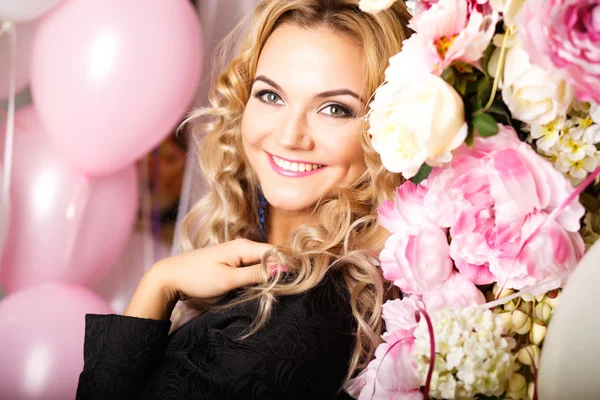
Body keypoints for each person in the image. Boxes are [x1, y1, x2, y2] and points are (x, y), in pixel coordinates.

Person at [76, 0, 412, 399]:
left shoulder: (295, 319)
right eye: (271, 96)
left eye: (335, 108)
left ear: (389, 131)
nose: (289, 136)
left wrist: (157, 285)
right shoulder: (288, 283)